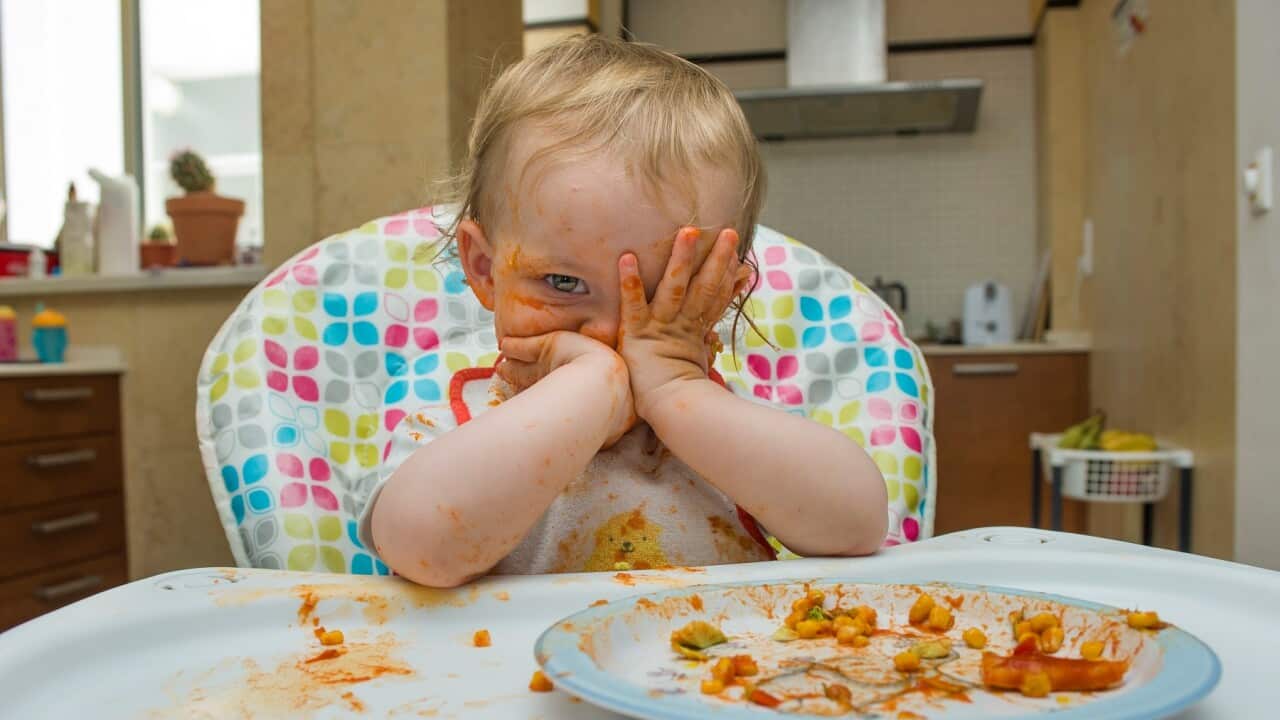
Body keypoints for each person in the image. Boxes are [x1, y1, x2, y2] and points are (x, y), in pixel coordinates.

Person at [358, 35, 887, 588]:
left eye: (662, 295)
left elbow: (858, 525)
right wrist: (589, 388)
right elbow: (422, 548)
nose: (613, 334)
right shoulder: (461, 425)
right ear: (485, 269)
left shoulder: (720, 430)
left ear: (724, 293)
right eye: (563, 282)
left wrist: (677, 394)